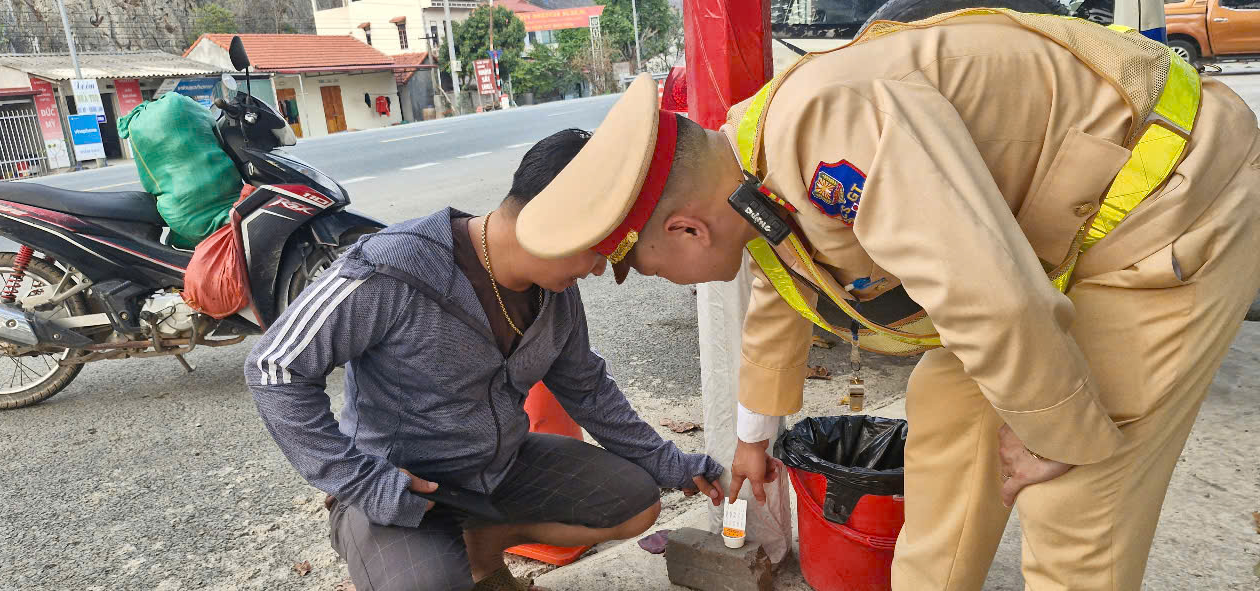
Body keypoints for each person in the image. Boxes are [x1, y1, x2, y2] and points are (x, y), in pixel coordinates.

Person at [513, 9, 1260, 590]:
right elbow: (791, 277)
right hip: (1054, 245)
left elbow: (991, 299)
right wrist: (753, 435)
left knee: (1074, 496)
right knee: (946, 423)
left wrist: (1055, 433)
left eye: (645, 266)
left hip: (1170, 197)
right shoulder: (744, 156)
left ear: (682, 226)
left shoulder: (827, 128)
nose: (661, 280)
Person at [245, 129, 724, 591]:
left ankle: (484, 543)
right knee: (426, 585)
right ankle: (407, 549)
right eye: (597, 250)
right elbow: (273, 367)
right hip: (398, 483)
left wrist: (671, 463)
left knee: (635, 504)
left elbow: (587, 387)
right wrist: (362, 480)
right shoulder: (393, 266)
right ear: (555, 223)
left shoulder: (557, 294)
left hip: (498, 466)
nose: (600, 268)